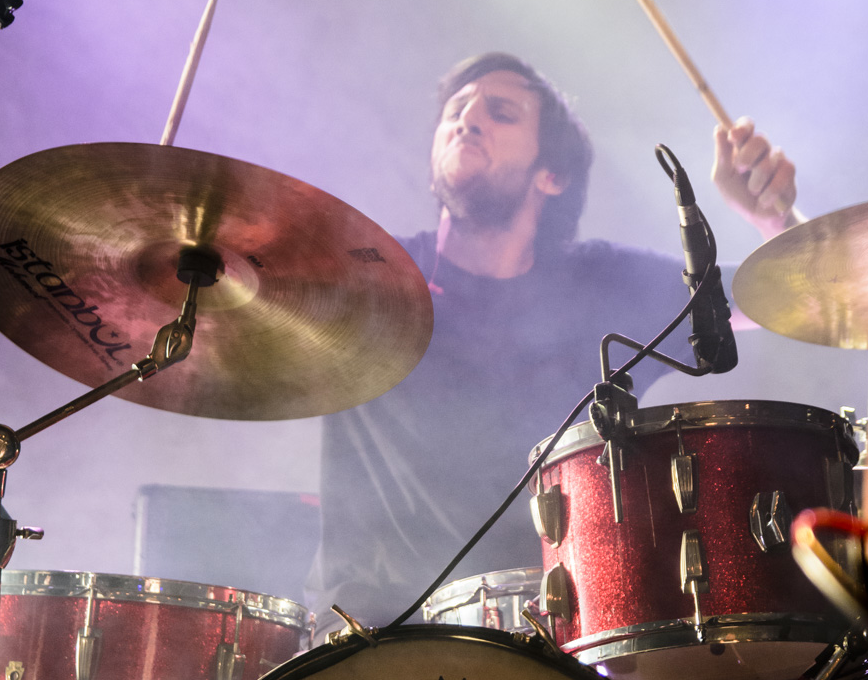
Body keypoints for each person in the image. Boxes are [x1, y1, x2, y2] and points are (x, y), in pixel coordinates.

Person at [306, 52, 798, 637]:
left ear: (552, 176)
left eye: (500, 112)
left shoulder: (600, 286)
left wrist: (774, 217)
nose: (467, 120)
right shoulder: (365, 283)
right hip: (368, 637)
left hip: (551, 638)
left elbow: (792, 290)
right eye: (456, 110)